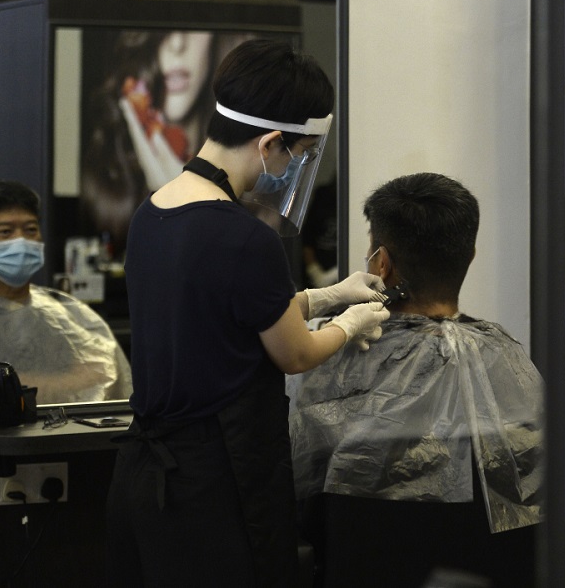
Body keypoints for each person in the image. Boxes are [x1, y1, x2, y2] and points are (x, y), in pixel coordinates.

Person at [105, 39, 390, 587]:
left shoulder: (153, 212)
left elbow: (220, 319)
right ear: (271, 144)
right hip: (214, 489)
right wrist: (348, 323)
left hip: (143, 483)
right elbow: (294, 352)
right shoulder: (242, 237)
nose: (295, 167)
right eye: (299, 156)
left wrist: (328, 295)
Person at [288, 173, 543, 573]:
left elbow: (301, 495)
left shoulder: (334, 353)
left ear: (381, 263)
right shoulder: (509, 358)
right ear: (470, 255)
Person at [0, 181, 132, 403]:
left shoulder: (64, 310)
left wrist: (17, 383)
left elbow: (102, 376)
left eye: (30, 229)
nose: (21, 240)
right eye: (5, 232)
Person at [80, 30, 250, 259]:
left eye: (194, 28)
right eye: (165, 33)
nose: (178, 44)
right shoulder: (107, 188)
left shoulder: (253, 191)